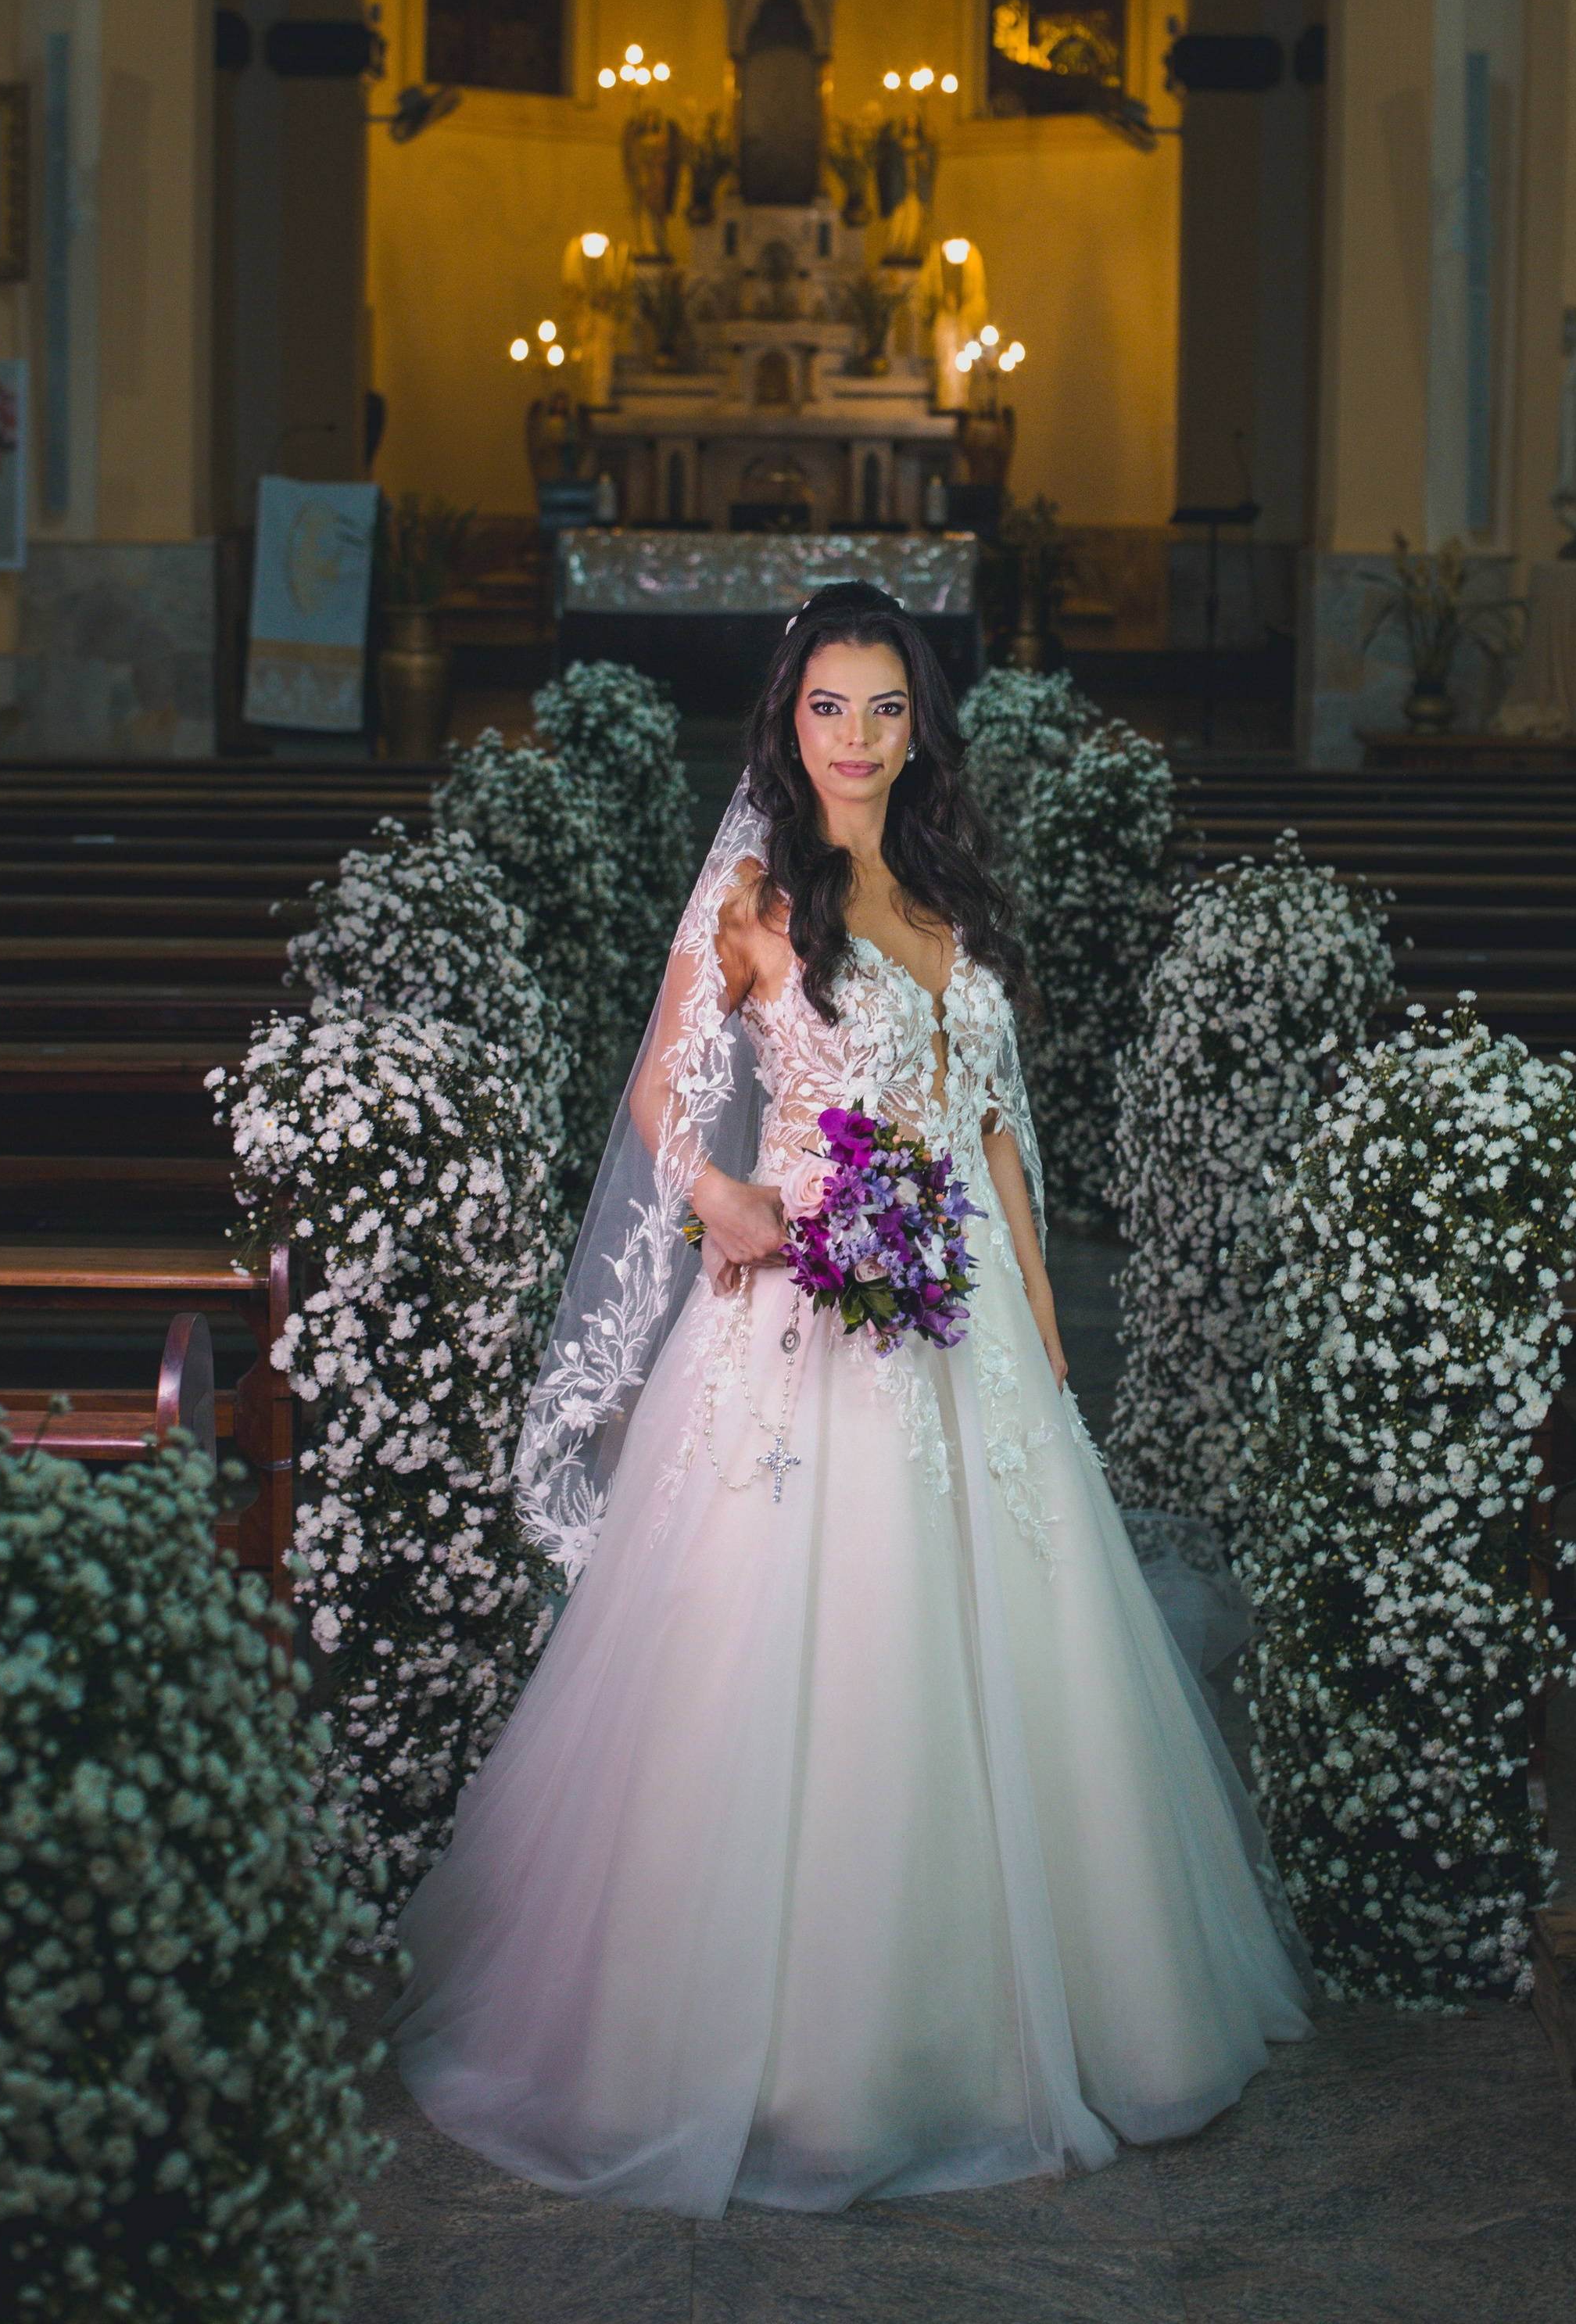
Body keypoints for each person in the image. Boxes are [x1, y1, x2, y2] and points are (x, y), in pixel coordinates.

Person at [388, 582, 1309, 2215]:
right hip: (799, 1326)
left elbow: (996, 1129)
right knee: (801, 1661)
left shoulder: (949, 891)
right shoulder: (754, 897)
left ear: (918, 729)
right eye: (830, 708)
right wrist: (718, 1200)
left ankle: (1033, 2029)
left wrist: (1036, 1321)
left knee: (1013, 1666)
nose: (859, 741)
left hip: (970, 1336)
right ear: (784, 721)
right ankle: (802, 2060)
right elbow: (660, 1094)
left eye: (886, 710)